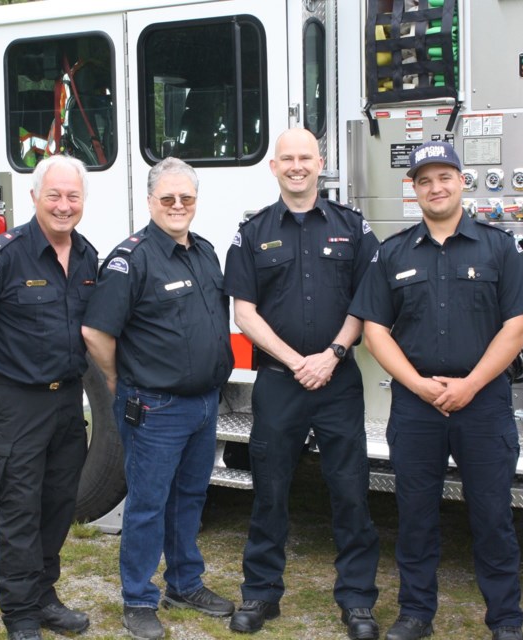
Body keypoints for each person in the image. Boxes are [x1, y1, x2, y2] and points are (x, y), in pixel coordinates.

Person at [350, 141, 523, 640]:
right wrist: (416, 384)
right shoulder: (392, 253)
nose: (435, 188)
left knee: (493, 518)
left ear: (462, 182)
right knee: (415, 516)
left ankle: (505, 621)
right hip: (416, 409)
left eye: (444, 177)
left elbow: (517, 325)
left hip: (482, 405)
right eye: (424, 180)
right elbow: (375, 330)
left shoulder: (498, 247)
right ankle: (416, 615)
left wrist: (471, 384)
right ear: (412, 190)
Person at [222, 128, 382, 639]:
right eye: (286, 158)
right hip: (278, 382)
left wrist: (331, 355)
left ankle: (357, 601)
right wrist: (298, 362)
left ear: (322, 163)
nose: (296, 166)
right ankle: (260, 595)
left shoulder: (353, 229)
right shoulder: (251, 233)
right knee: (269, 491)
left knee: (351, 492)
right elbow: (244, 312)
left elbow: (367, 302)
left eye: (305, 157)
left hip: (337, 381)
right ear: (273, 167)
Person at [82, 157, 235, 640]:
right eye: (167, 198)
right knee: (148, 504)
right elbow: (96, 331)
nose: (177, 206)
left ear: (195, 202)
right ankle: (138, 598)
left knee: (190, 498)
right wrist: (116, 381)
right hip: (155, 408)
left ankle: (185, 583)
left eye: (185, 198)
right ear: (150, 202)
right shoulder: (132, 259)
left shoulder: (204, 252)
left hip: (205, 403)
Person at [0, 155, 97, 640]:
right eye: (54, 195)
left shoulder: (87, 256)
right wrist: (2, 374)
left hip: (67, 403)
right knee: (19, 508)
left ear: (83, 201)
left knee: (58, 504)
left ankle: (44, 596)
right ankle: (19, 614)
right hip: (16, 405)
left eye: (72, 196)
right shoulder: (1, 256)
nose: (63, 205)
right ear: (34, 197)